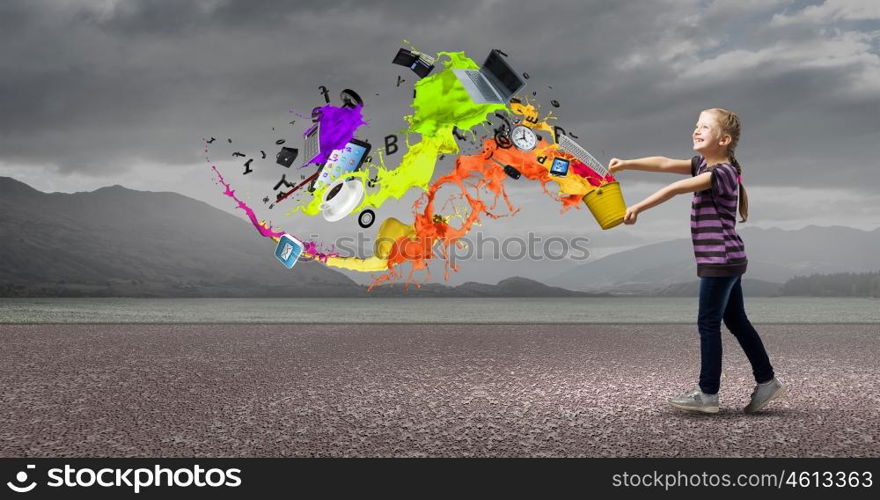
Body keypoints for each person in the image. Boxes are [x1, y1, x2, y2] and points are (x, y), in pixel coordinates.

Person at [608, 108, 785, 414]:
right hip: (727, 258)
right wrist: (627, 164)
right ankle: (767, 381)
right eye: (696, 125)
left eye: (705, 126)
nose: (696, 130)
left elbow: (675, 188)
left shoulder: (722, 173)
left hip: (720, 259)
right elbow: (663, 163)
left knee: (708, 323)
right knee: (735, 320)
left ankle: (708, 394)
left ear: (724, 139)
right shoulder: (704, 163)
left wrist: (637, 206)